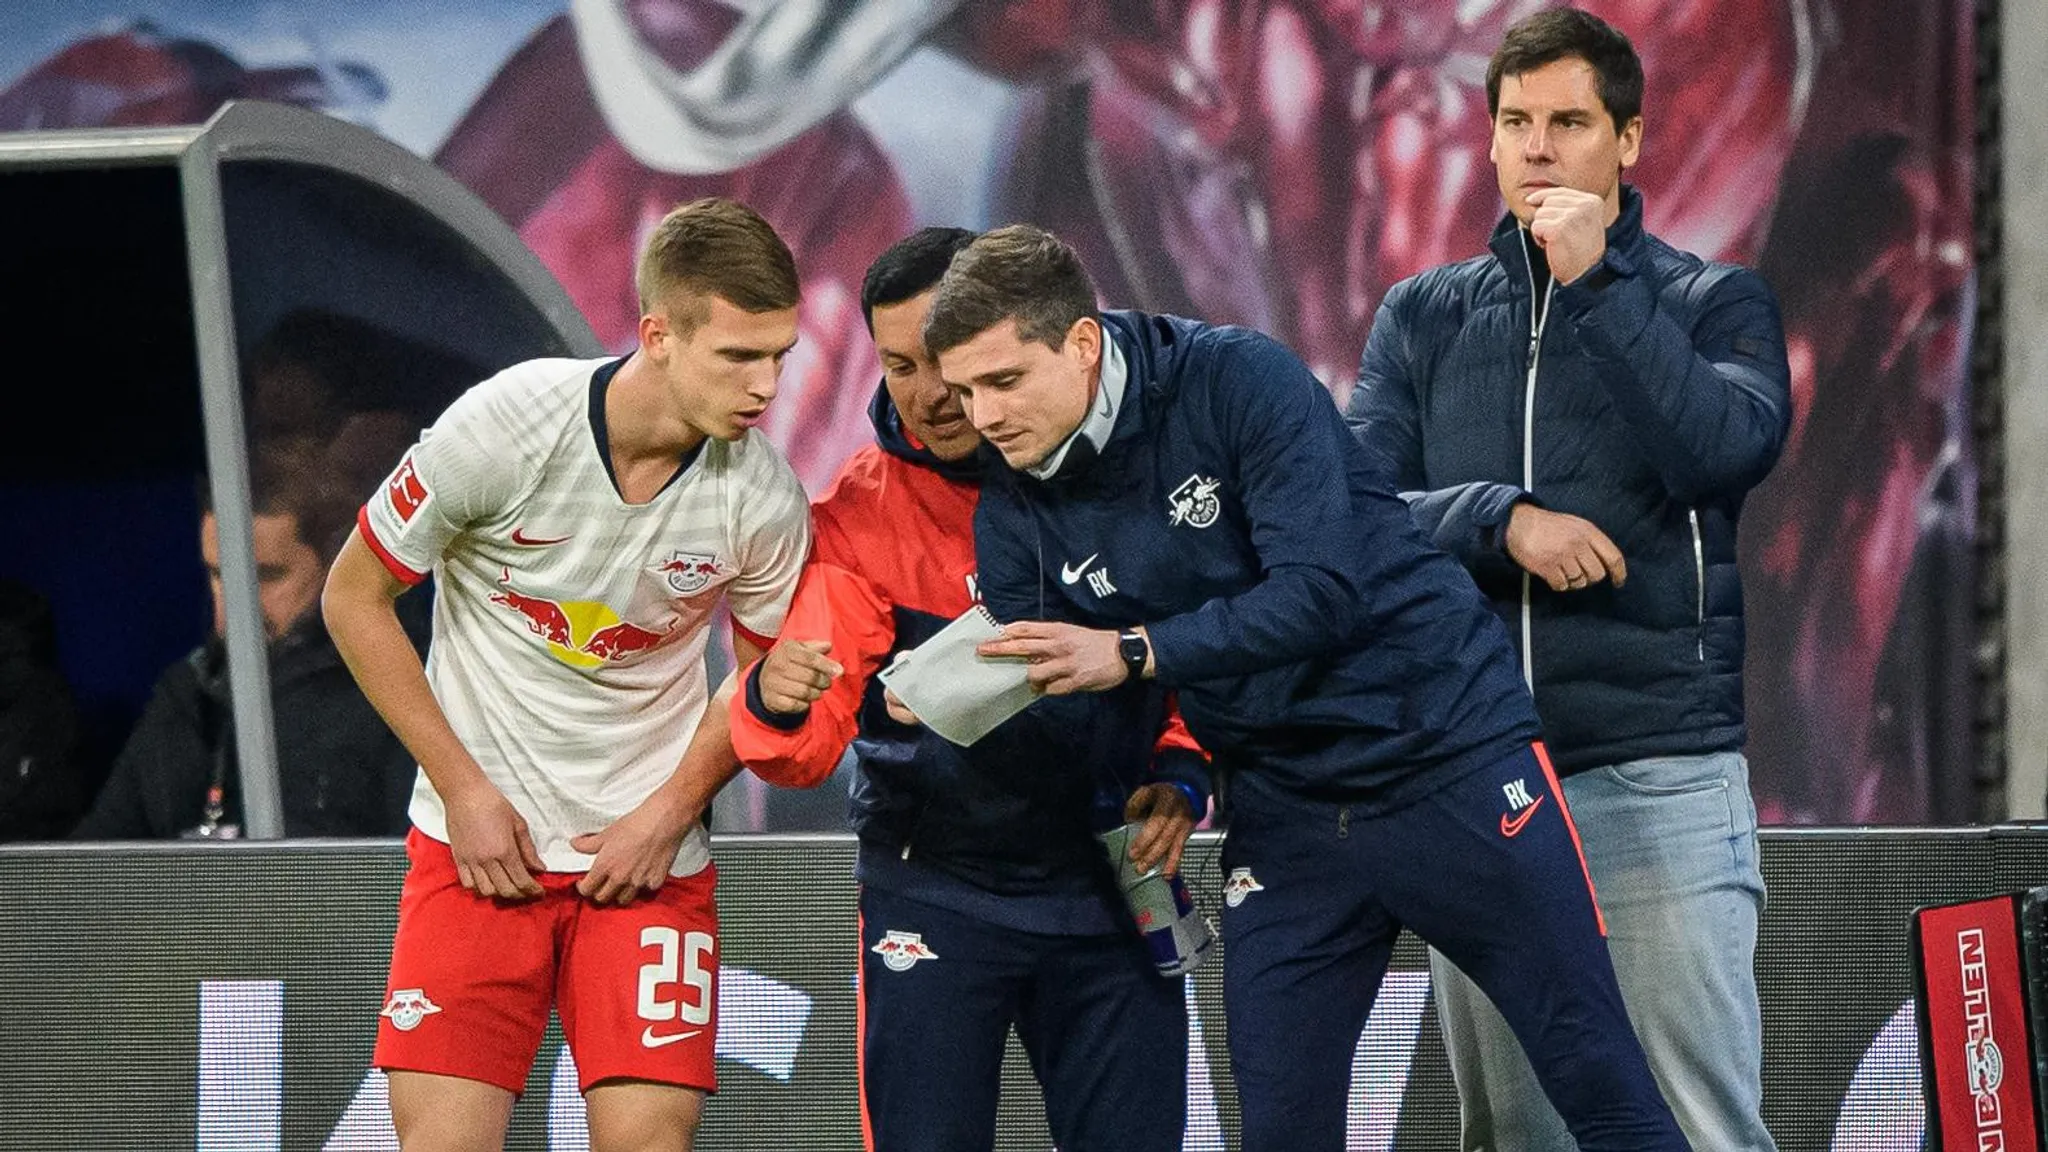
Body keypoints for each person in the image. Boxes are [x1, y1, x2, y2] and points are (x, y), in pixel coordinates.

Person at [921, 224, 1690, 1151]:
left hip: (1446, 753)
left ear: (1083, 343)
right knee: (1282, 1134)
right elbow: (1092, 703)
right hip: (1285, 810)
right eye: (964, 389)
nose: (984, 415)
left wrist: (1131, 653)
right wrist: (1149, 769)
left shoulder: (1237, 380)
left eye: (1003, 381)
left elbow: (1321, 594)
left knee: (1599, 1083)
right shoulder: (1012, 510)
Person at [1345, 10, 1789, 1151]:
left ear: (1627, 141)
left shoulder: (1709, 303)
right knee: (1512, 1135)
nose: (1536, 147)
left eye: (1568, 123)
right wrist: (1501, 520)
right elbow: (1345, 516)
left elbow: (1720, 452)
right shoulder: (1423, 315)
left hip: (1655, 781)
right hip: (1483, 782)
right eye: (1514, 122)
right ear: (1487, 140)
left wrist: (1597, 289)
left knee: (1697, 1128)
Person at [321, 196, 811, 1152]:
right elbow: (353, 598)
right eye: (739, 357)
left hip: (647, 866)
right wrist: (463, 788)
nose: (766, 388)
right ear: (657, 335)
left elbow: (753, 692)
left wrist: (665, 818)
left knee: (649, 1142)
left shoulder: (764, 498)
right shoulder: (508, 425)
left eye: (780, 357)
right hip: (474, 856)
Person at [726, 227, 1207, 1151]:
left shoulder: (1125, 481)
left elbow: (1202, 647)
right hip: (936, 895)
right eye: (899, 364)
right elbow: (805, 746)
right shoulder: (857, 516)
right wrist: (777, 703)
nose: (929, 393)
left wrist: (1183, 772)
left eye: (946, 356)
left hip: (1115, 896)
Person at [73, 442, 414, 840]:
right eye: (220, 575)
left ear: (333, 564)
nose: (239, 606)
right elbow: (91, 868)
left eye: (266, 576)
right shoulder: (188, 696)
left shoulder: (391, 692)